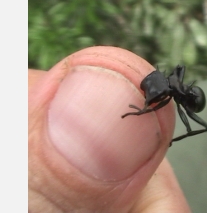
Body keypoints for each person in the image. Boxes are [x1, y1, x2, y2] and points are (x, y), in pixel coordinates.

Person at [28, 46, 191, 212]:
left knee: (190, 125)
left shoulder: (176, 95)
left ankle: (145, 112)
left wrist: (151, 118)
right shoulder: (172, 85)